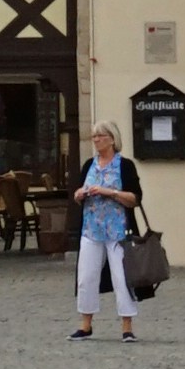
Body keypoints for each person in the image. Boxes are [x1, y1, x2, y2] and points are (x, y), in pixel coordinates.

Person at [71, 119, 143, 341]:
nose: (96, 140)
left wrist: (110, 192)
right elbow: (77, 193)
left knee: (122, 278)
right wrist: (79, 195)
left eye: (100, 136)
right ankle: (85, 324)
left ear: (112, 139)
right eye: (93, 136)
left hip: (118, 231)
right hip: (91, 229)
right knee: (86, 277)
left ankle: (127, 326)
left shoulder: (125, 166)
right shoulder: (89, 165)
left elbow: (134, 198)